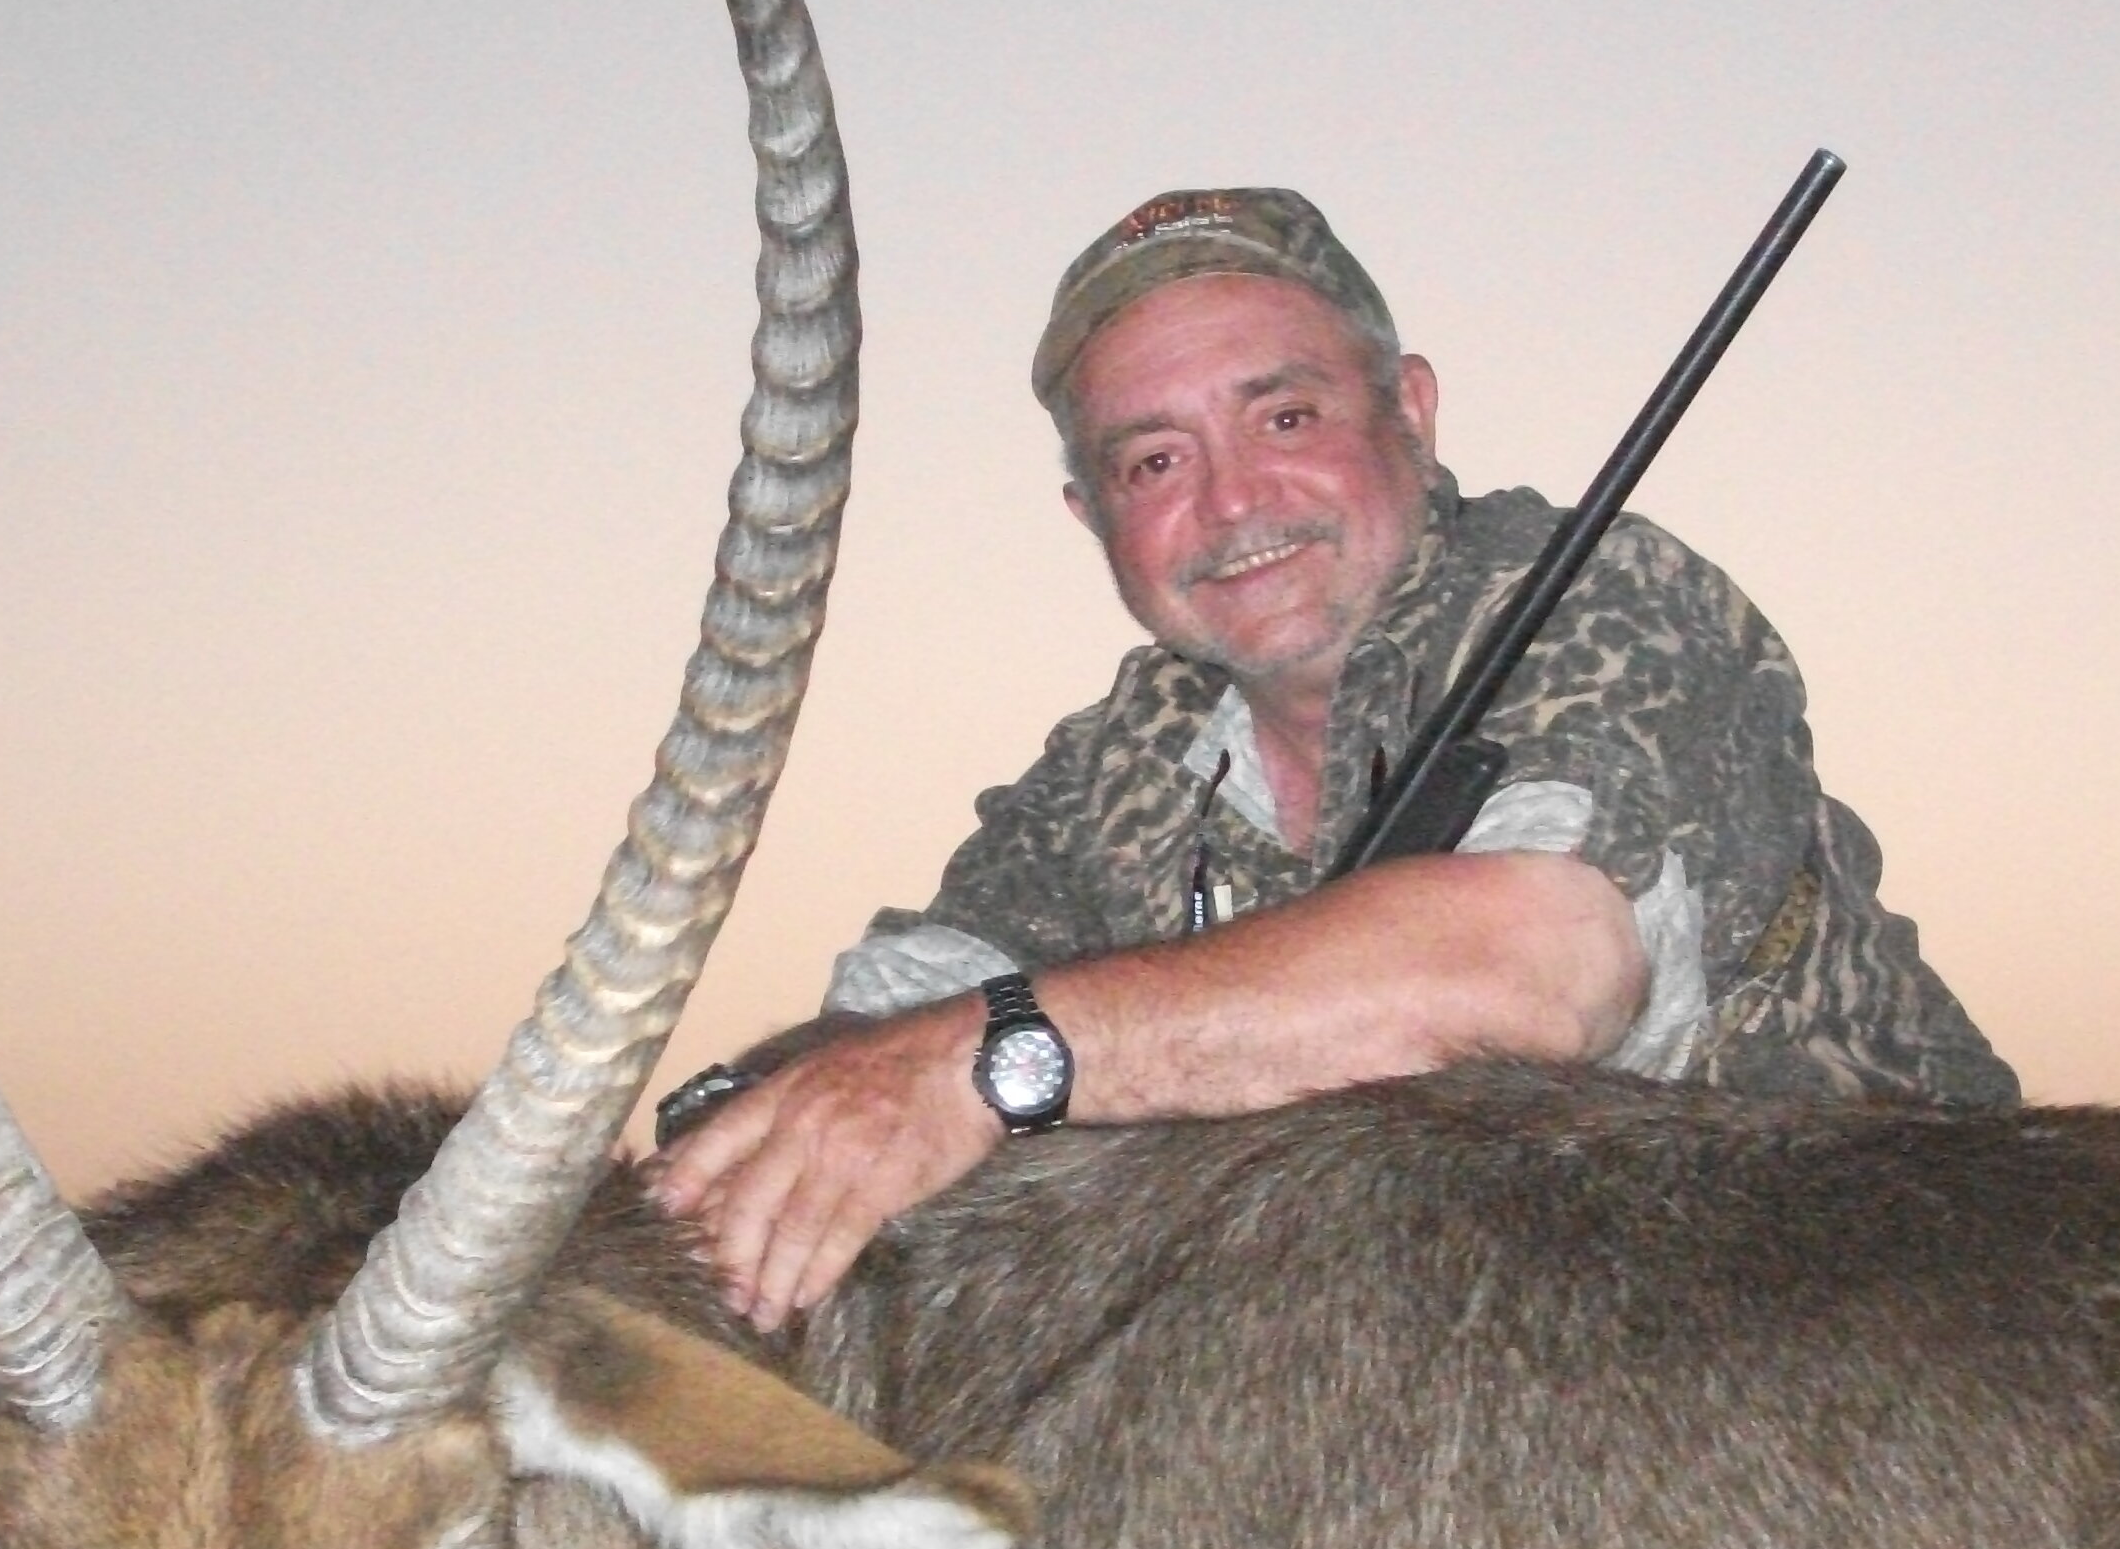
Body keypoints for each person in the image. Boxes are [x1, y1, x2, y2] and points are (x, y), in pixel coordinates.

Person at [656, 186, 2012, 1326]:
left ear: (1411, 415)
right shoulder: (1122, 752)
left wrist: (989, 1066)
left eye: (1285, 419)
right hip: (1449, 1362)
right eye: (1152, 462)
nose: (1234, 502)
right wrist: (759, 1113)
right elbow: (910, 1012)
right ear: (1090, 514)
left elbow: (1528, 980)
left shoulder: (1609, 597)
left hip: (1876, 1322)